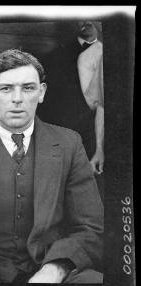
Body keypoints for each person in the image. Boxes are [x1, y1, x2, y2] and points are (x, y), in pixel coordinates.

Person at [0, 49, 103, 283]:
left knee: (95, 283)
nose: (17, 98)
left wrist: (54, 270)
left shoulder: (68, 144)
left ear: (42, 92)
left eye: (28, 88)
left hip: (48, 272)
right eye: (6, 89)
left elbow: (90, 228)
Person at [37, 21, 104, 197]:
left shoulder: (109, 51)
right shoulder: (55, 56)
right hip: (66, 126)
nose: (88, 23)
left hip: (93, 127)